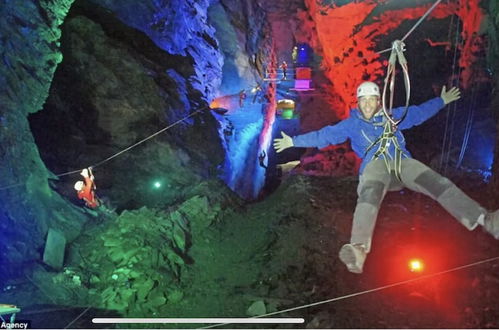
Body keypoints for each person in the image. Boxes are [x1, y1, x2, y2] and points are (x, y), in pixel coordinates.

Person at [273, 81, 499, 274]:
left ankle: (485, 219)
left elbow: (418, 113)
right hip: (376, 166)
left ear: (379, 101)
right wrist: (294, 141)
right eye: (364, 100)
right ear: (358, 103)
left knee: (438, 183)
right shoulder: (352, 124)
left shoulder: (393, 116)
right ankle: (359, 248)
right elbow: (325, 135)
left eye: (372, 99)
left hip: (402, 163)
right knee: (369, 194)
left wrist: (441, 101)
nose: (368, 104)